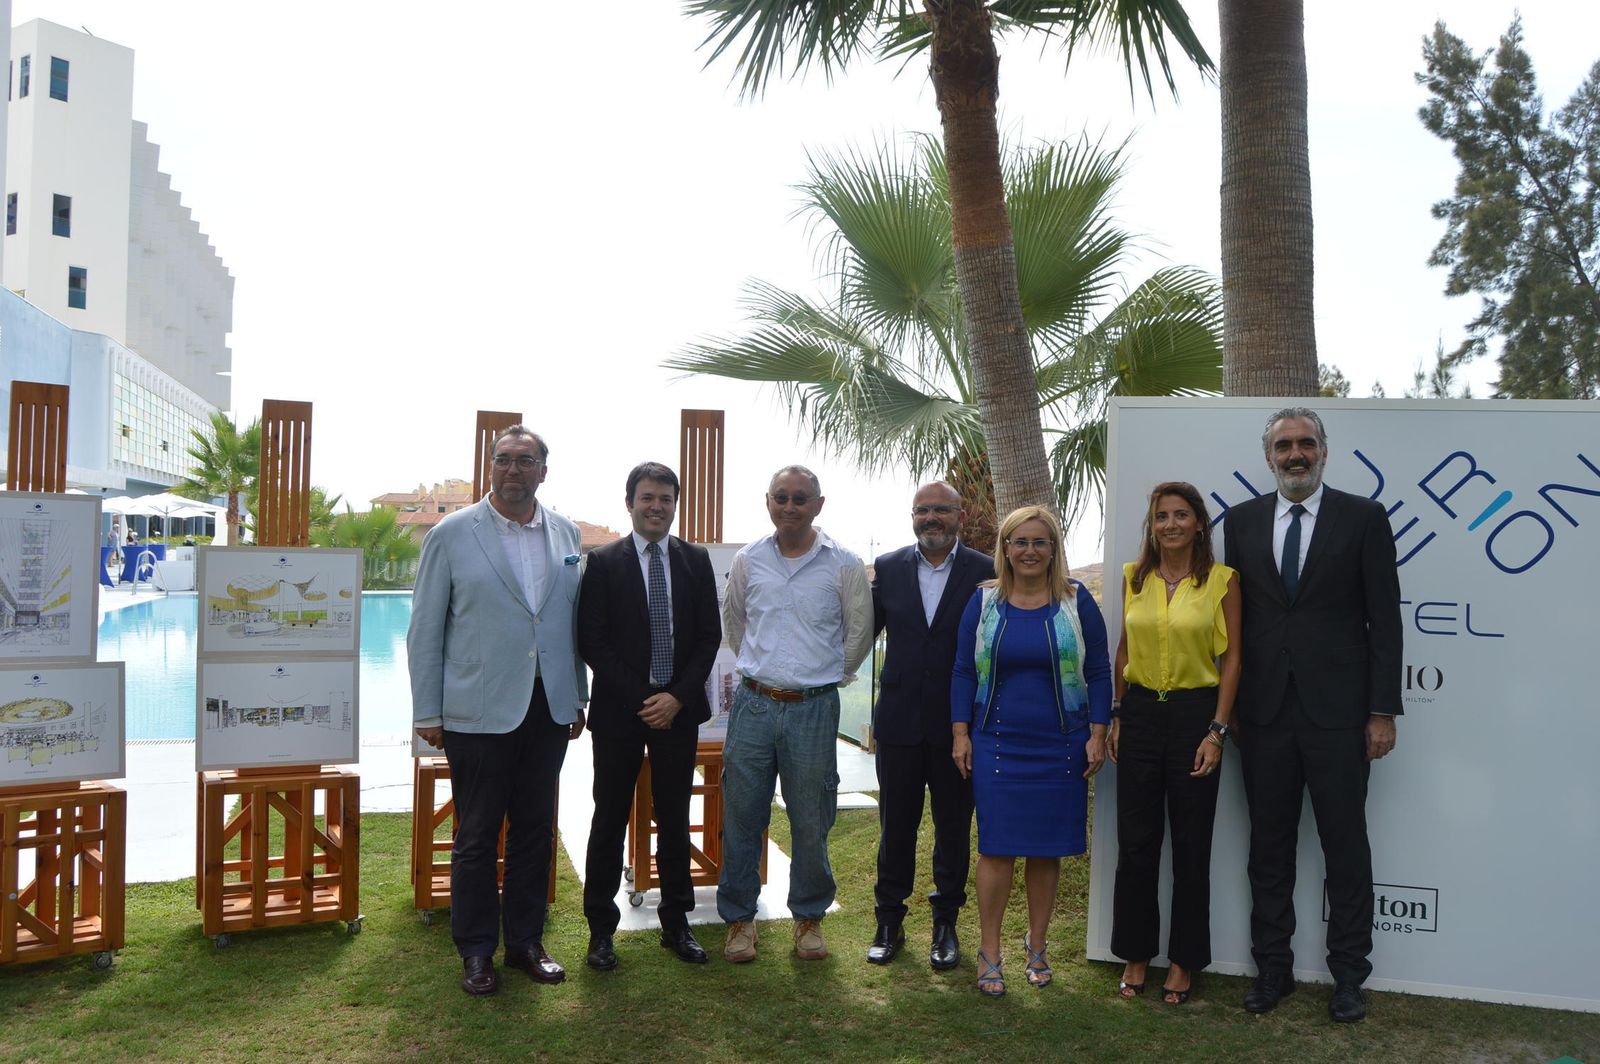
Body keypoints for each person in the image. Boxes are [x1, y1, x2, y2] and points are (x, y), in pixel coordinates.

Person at [1223, 407, 1401, 1024]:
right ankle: (1272, 970)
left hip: (1341, 717)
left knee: (1345, 846)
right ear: (1268, 456)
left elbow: (1385, 622)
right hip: (1264, 715)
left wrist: (1381, 711)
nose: (1294, 454)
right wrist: (1231, 711)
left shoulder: (1364, 518)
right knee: (1267, 849)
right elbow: (1236, 626)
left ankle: (1350, 975)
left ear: (1324, 450)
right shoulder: (1240, 523)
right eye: (1282, 446)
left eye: (1305, 443)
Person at [408, 426, 589, 997]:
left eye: (525, 461)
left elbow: (567, 622)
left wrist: (576, 696)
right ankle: (477, 950)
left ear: (544, 470)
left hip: (548, 707)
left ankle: (526, 943)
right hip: (477, 711)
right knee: (478, 835)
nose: (514, 469)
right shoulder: (452, 534)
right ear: (491, 466)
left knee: (536, 829)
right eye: (504, 460)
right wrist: (427, 710)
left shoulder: (566, 533)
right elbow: (425, 629)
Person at [951, 505, 1112, 996]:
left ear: (1054, 549)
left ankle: (1037, 947)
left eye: (1039, 542)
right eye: (1019, 541)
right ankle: (990, 951)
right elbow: (962, 670)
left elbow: (1100, 670)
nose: (1029, 551)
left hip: (1061, 743)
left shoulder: (1074, 600)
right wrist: (960, 734)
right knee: (996, 849)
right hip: (995, 743)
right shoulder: (983, 602)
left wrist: (1098, 734)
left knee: (1045, 852)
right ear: (1005, 548)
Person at [717, 465, 873, 964]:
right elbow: (735, 623)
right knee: (742, 816)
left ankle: (809, 918)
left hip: (813, 709)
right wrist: (763, 674)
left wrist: (821, 677)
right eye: (781, 497)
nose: (790, 506)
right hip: (754, 705)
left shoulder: (843, 564)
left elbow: (857, 637)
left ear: (818, 505)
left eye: (800, 499)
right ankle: (740, 921)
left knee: (811, 818)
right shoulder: (748, 560)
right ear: (767, 502)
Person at [577, 461, 722, 970]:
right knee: (609, 818)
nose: (656, 506)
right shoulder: (603, 561)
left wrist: (677, 697)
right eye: (647, 497)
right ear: (630, 503)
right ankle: (600, 930)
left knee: (675, 816)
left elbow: (708, 636)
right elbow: (591, 639)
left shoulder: (695, 560)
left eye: (665, 498)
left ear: (674, 505)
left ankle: (676, 924)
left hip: (678, 713)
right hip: (621, 712)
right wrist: (646, 697)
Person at [1108, 482, 1240, 1005]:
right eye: (1161, 516)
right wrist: (1117, 713)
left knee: (1191, 844)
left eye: (1181, 514)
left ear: (1199, 523)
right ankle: (1136, 954)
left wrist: (1217, 730)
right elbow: (1123, 648)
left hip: (1194, 718)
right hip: (1138, 715)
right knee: (1136, 845)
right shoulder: (1131, 577)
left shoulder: (1223, 582)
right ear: (1152, 525)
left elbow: (1233, 660)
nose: (1170, 524)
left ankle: (1184, 960)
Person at [867, 482, 991, 969]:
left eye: (941, 510)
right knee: (895, 826)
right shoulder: (891, 567)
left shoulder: (985, 571)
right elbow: (863, 629)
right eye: (923, 510)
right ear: (912, 516)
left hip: (959, 724)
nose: (931, 518)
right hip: (898, 720)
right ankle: (888, 922)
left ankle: (945, 926)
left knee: (953, 827)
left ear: (960, 515)